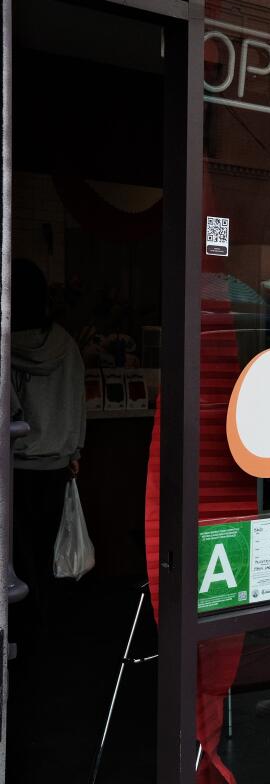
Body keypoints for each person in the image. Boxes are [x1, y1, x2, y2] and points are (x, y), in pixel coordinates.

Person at [11, 258, 87, 622]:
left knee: (16, 553)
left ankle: (23, 623)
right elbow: (77, 401)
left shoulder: (7, 347)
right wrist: (75, 450)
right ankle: (45, 621)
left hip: (15, 466)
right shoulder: (66, 344)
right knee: (47, 548)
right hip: (57, 465)